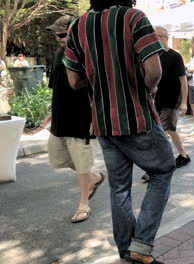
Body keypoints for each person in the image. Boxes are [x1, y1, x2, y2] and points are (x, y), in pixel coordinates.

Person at [63, 1, 175, 263]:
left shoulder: (77, 26)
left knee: (119, 188)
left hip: (103, 123)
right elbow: (155, 71)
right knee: (163, 170)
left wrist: (99, 81)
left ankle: (127, 252)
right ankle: (142, 244)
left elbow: (74, 80)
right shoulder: (133, 18)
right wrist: (143, 90)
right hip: (137, 119)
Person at [41, 15, 104, 224]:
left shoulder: (88, 53)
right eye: (56, 34)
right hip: (60, 118)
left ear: (72, 31)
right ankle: (94, 179)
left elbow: (98, 87)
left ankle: (84, 203)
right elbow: (56, 87)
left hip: (81, 119)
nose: (58, 38)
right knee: (59, 158)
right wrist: (51, 112)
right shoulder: (59, 53)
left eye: (61, 34)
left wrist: (95, 117)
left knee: (82, 163)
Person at [150, 26, 191, 170]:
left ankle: (160, 164)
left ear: (166, 38)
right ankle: (184, 155)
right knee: (171, 130)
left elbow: (183, 81)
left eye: (157, 36)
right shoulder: (155, 57)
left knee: (161, 133)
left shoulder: (175, 56)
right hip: (158, 99)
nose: (154, 39)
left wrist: (184, 102)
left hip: (172, 100)